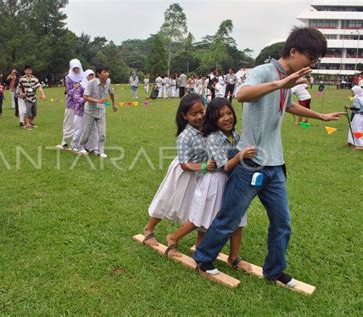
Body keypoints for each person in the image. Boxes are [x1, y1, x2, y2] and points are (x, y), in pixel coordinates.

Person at [193, 27, 344, 287]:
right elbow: (241, 95)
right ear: (293, 51)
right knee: (229, 218)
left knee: (282, 222)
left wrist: (319, 116)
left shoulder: (288, 78)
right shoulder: (264, 72)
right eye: (311, 57)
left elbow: (285, 105)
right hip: (250, 163)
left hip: (275, 165)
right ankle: (204, 258)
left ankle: (274, 270)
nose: (312, 63)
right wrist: (281, 83)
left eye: (316, 59)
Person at [165, 98, 256, 261]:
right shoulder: (213, 138)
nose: (227, 118)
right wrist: (241, 155)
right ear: (214, 119)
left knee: (235, 218)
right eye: (221, 116)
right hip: (214, 182)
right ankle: (172, 237)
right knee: (199, 219)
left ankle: (232, 256)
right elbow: (225, 166)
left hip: (230, 181)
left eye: (229, 113)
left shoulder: (234, 135)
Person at [143, 94, 214, 246]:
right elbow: (184, 164)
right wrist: (203, 166)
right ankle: (148, 229)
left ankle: (200, 244)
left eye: (201, 111)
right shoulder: (185, 136)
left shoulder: (209, 127)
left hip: (204, 174)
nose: (199, 116)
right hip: (184, 173)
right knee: (167, 200)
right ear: (185, 116)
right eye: (193, 114)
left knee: (203, 206)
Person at [79, 64, 117, 158]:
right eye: (104, 72)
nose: (107, 74)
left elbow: (111, 92)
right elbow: (85, 97)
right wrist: (98, 101)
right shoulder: (91, 83)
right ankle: (80, 147)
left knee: (102, 133)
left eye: (107, 72)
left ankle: (101, 151)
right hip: (90, 111)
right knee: (87, 133)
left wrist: (113, 104)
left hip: (101, 111)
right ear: (99, 74)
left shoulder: (108, 81)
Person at [72, 69, 99, 152]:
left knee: (93, 130)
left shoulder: (95, 86)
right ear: (85, 76)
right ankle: (76, 145)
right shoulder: (80, 86)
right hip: (80, 111)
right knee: (79, 130)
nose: (91, 77)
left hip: (91, 111)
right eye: (89, 75)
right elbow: (76, 97)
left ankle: (92, 147)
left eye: (93, 75)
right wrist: (86, 100)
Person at [58, 59, 83, 149]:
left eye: (78, 68)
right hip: (71, 104)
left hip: (81, 104)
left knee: (78, 123)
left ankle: (77, 142)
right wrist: (75, 87)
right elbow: (69, 92)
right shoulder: (69, 77)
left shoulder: (83, 76)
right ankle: (64, 141)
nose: (76, 70)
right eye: (74, 68)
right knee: (68, 122)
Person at [18, 65, 46, 130]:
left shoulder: (35, 79)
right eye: (27, 70)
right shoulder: (21, 79)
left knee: (34, 113)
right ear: (25, 71)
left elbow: (39, 87)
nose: (29, 72)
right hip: (27, 98)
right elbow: (19, 87)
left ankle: (29, 123)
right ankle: (27, 125)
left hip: (33, 98)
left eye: (30, 70)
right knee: (28, 111)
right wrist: (21, 93)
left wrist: (43, 94)